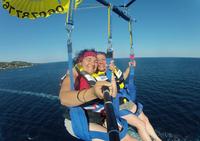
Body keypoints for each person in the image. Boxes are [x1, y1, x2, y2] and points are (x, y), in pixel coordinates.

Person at [59, 49, 136, 141]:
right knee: (132, 129)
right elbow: (64, 98)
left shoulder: (102, 75)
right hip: (81, 117)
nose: (93, 63)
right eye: (89, 59)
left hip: (106, 109)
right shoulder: (75, 76)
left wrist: (128, 69)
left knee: (135, 130)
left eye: (96, 61)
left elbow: (121, 79)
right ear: (80, 62)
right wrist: (93, 93)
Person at [95, 52, 162, 141]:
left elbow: (122, 77)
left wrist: (130, 67)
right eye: (98, 60)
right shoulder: (96, 77)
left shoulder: (113, 69)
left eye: (103, 59)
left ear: (107, 61)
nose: (100, 62)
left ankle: (158, 139)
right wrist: (110, 73)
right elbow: (109, 93)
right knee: (140, 124)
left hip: (124, 100)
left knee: (145, 119)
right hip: (116, 105)